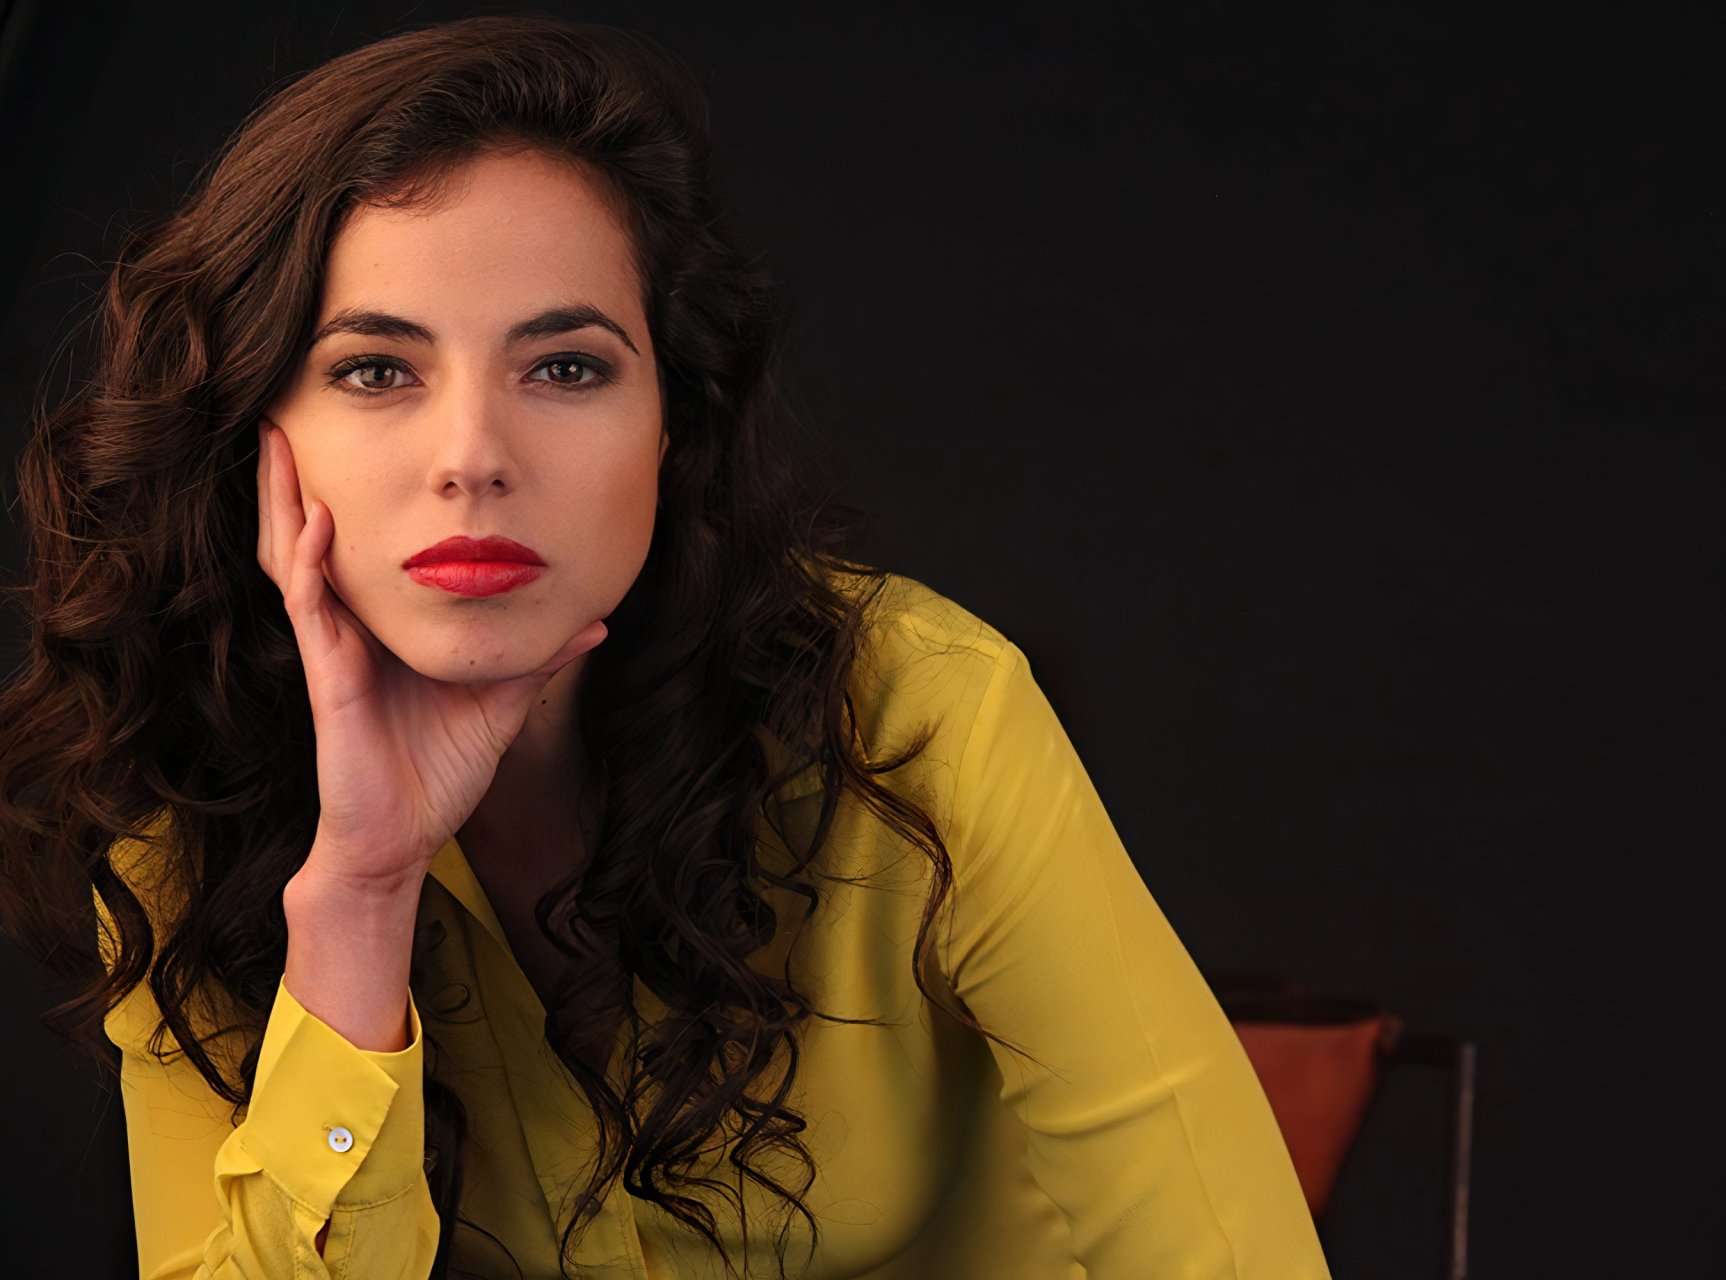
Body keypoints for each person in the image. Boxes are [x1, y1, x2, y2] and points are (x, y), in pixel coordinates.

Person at [0, 14, 1330, 1280]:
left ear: (671, 426)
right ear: (255, 438)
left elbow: (1225, 1249)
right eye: (375, 370)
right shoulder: (191, 809)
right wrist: (357, 895)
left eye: (566, 367)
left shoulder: (918, 714)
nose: (473, 459)